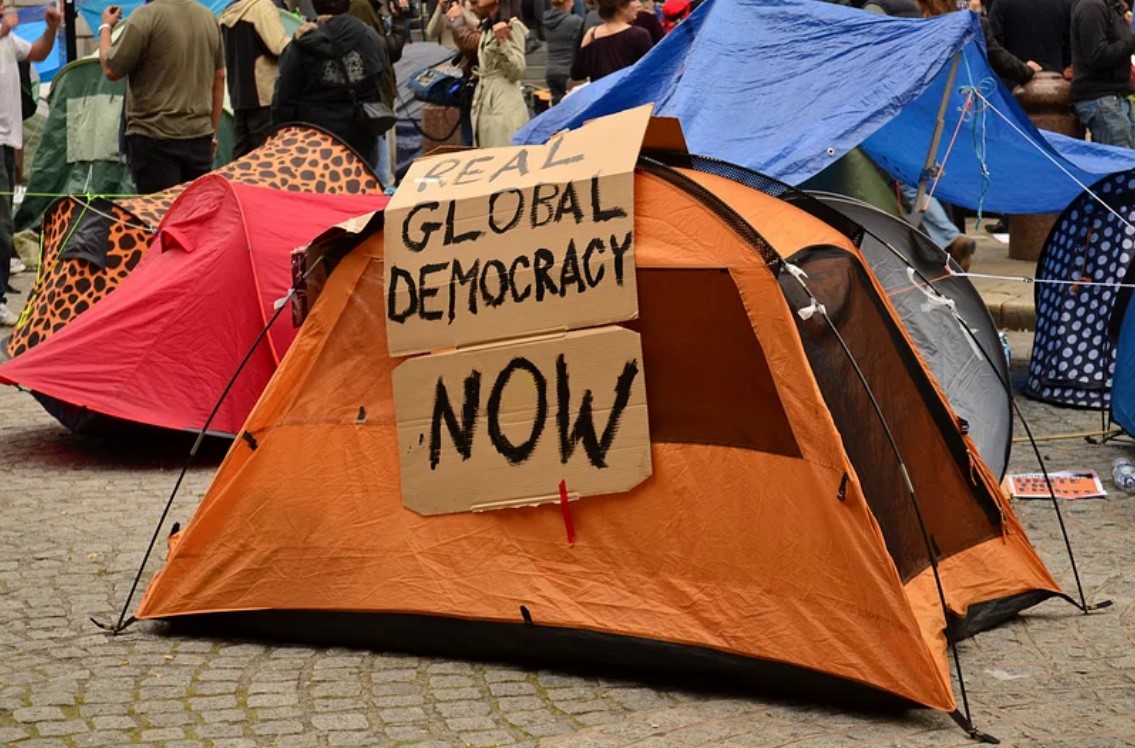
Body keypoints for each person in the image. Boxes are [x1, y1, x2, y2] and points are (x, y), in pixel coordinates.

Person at [98, 1, 225, 195]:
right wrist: (212, 134)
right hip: (199, 138)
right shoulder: (208, 18)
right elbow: (219, 77)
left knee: (160, 218)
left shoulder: (145, 17)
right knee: (193, 217)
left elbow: (111, 69)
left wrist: (106, 28)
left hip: (153, 139)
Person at [0, 1, 60, 326]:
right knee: (0, 225)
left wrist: (51, 30)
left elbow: (37, 52)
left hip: (8, 143)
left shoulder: (9, 42)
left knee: (4, 220)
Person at [272, 0, 392, 162]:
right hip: (361, 141)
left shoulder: (303, 42)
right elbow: (381, 79)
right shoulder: (369, 36)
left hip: (313, 143)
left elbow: (284, 98)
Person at [449, 0, 529, 146]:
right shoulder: (488, 27)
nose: (474, 5)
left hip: (503, 106)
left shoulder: (512, 26)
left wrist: (503, 42)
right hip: (484, 104)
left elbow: (517, 71)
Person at [345, 0, 407, 187]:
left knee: (384, 172)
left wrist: (397, 20)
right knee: (381, 176)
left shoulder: (369, 7)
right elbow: (382, 52)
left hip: (379, 99)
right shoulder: (361, 6)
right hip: (374, 103)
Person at [220, 0, 291, 158]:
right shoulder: (261, 7)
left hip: (239, 96)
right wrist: (300, 39)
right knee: (266, 156)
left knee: (242, 155)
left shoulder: (227, 13)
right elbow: (278, 47)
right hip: (264, 96)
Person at [1069, 0, 1135, 148]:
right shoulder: (1092, 6)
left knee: (1128, 163)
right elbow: (1097, 56)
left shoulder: (1113, 7)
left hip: (1116, 98)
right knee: (1121, 164)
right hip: (1101, 98)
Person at [571, 0, 653, 83]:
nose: (639, 5)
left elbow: (577, 74)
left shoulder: (592, 34)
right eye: (634, 0)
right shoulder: (640, 34)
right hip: (630, 93)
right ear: (621, 7)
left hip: (603, 94)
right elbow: (648, 72)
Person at [988, 0, 1072, 75]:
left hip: (1014, 79)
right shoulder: (1064, 3)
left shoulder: (1001, 3)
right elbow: (1069, 45)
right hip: (1053, 78)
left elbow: (994, 45)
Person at [544, 0, 582, 103]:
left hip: (551, 71)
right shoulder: (575, 21)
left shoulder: (546, 21)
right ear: (568, 2)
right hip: (569, 72)